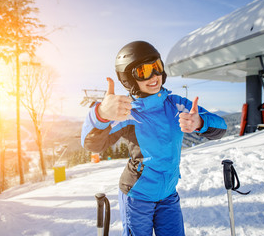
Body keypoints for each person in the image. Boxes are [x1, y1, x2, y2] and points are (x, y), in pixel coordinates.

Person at [81, 41, 227, 236]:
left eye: (156, 67)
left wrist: (200, 122)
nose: (154, 77)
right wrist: (101, 114)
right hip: (137, 197)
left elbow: (221, 126)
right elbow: (92, 144)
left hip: (168, 195)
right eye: (143, 71)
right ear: (128, 78)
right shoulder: (127, 112)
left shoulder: (176, 105)